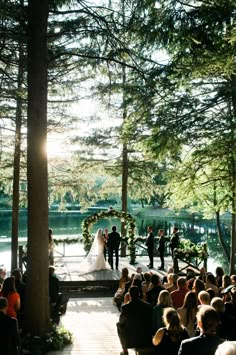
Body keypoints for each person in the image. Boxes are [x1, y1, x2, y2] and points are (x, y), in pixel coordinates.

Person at [117, 285, 153, 355]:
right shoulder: (148, 306)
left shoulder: (125, 307)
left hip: (131, 339)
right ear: (139, 294)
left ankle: (125, 350)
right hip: (145, 338)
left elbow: (121, 322)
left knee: (119, 325)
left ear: (129, 295)